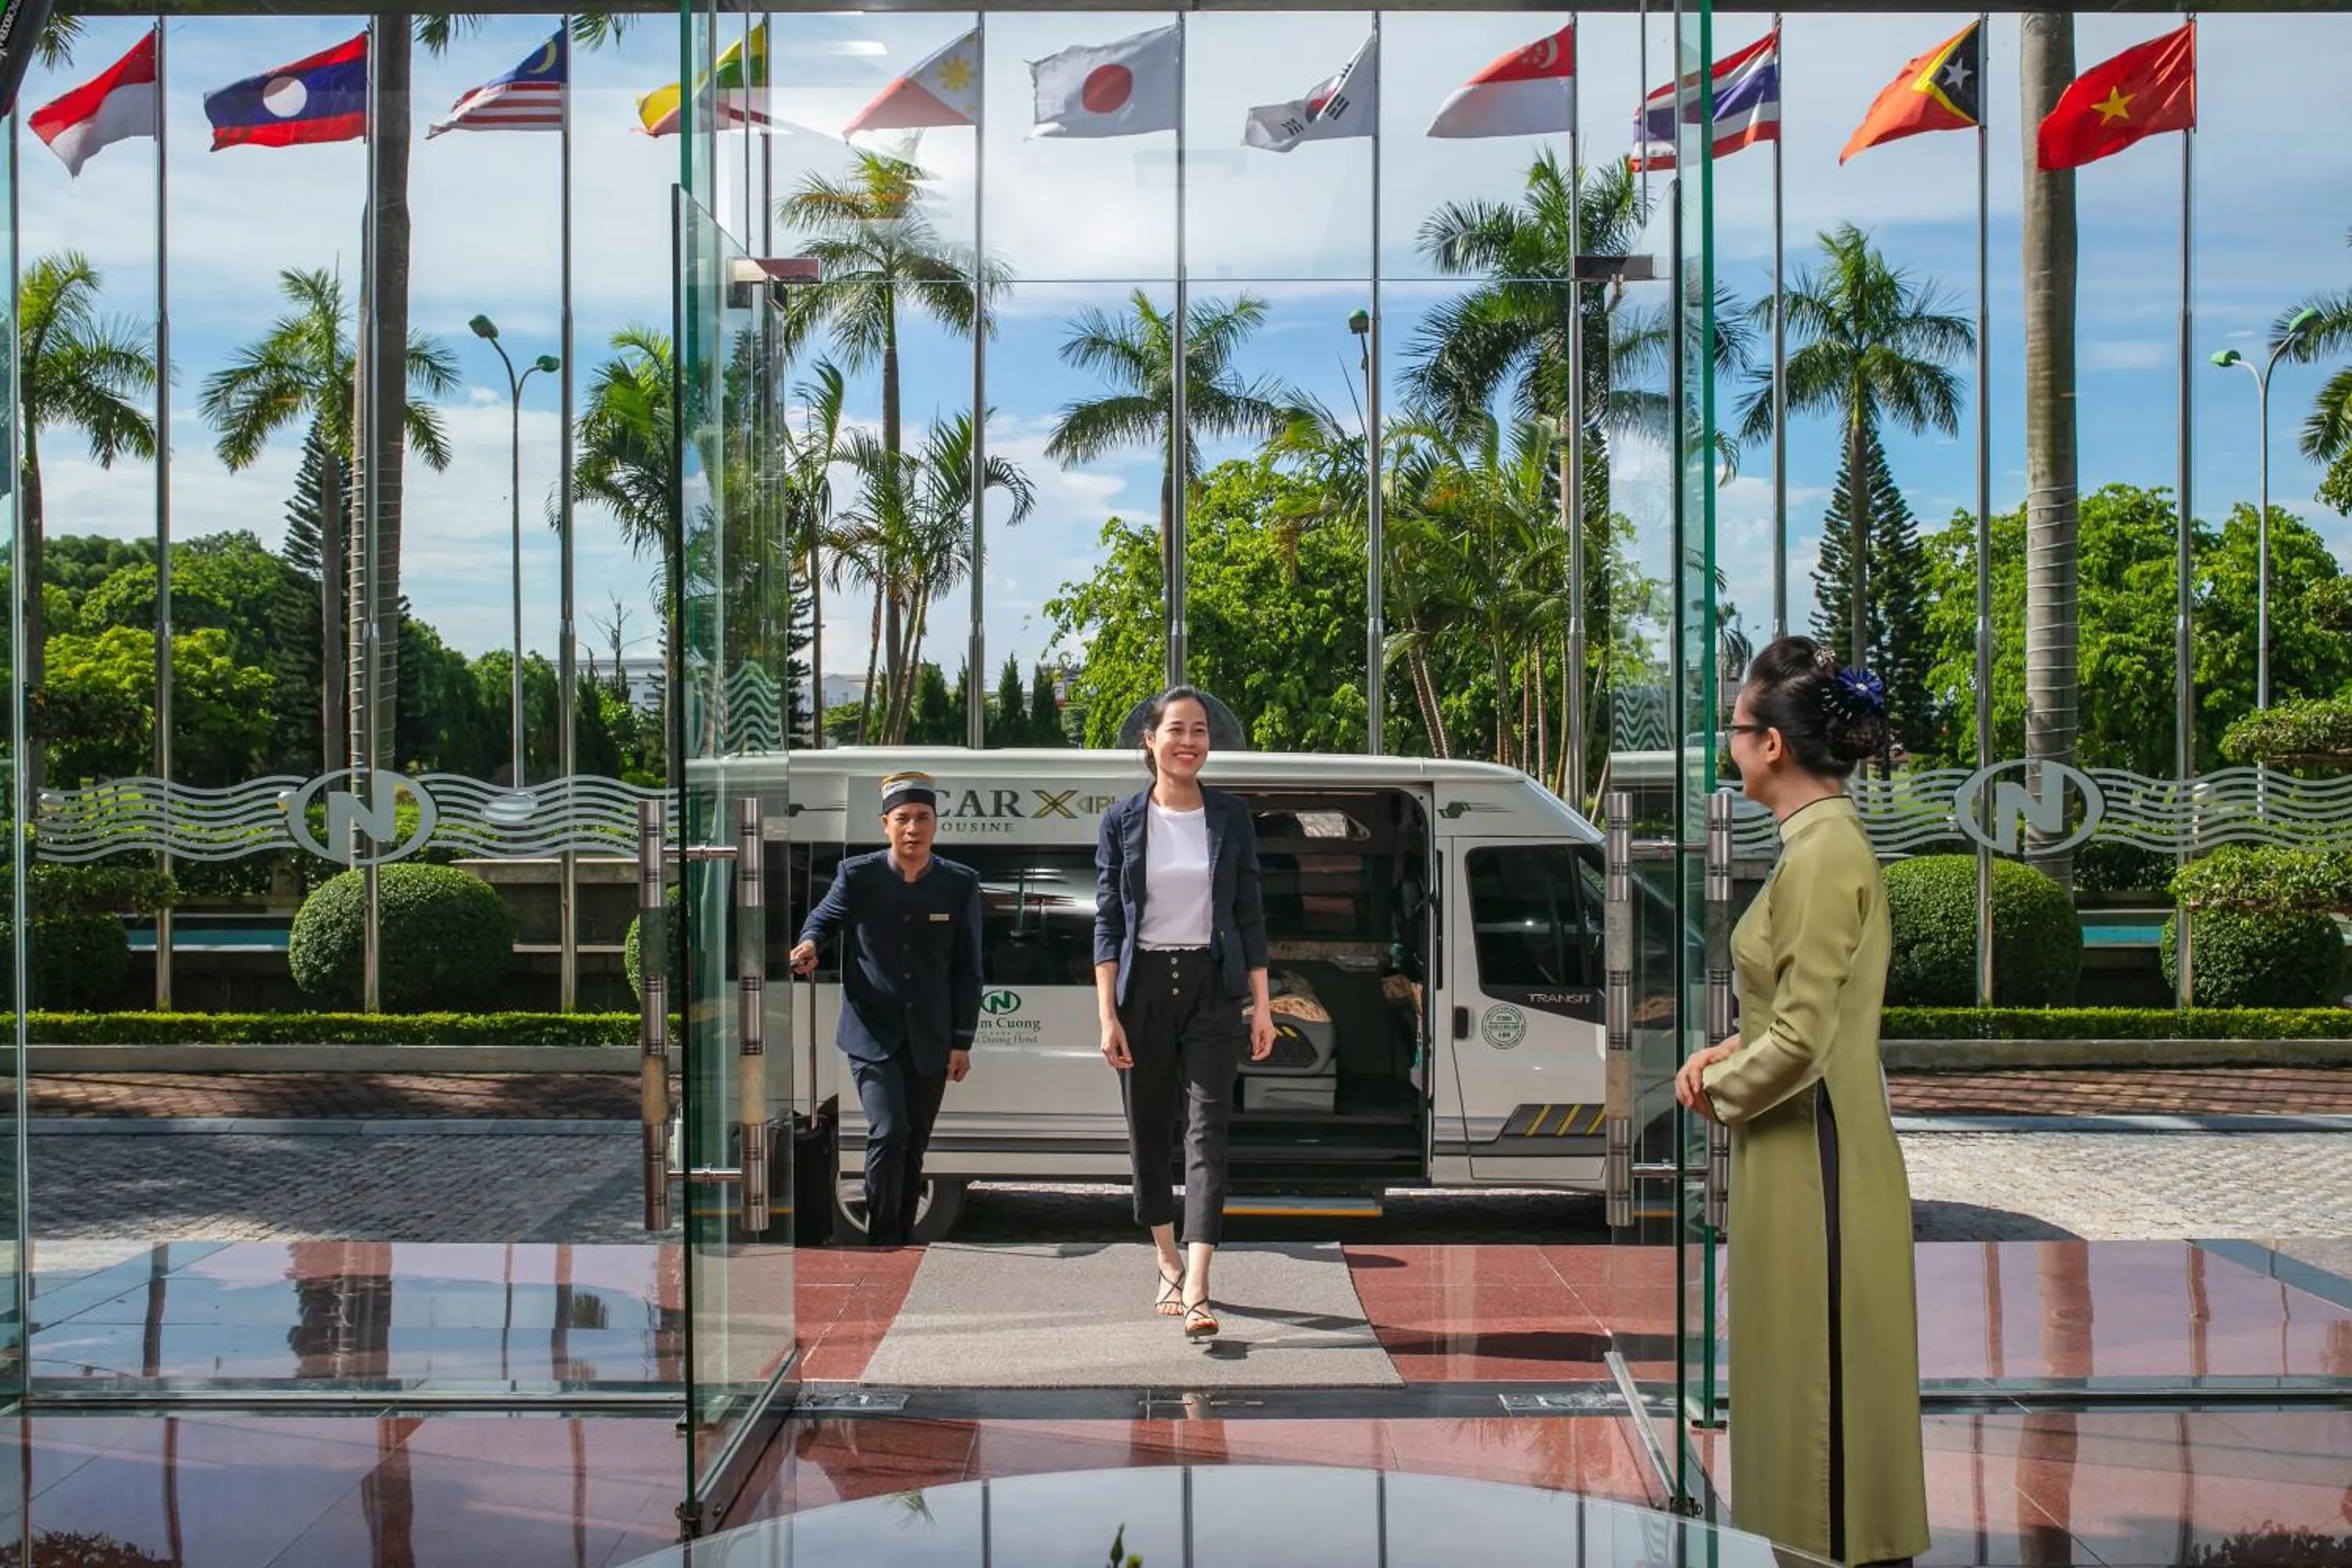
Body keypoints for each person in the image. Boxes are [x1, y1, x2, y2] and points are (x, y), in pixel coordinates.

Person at [1673, 636, 1931, 1568]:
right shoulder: (1818, 844)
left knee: (1820, 1397)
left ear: (1772, 745)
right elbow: (1797, 1013)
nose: (1728, 746)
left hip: (1814, 1158)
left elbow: (1807, 1040)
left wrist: (1715, 1086)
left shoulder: (1821, 854)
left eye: (1734, 729)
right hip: (1804, 1149)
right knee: (1808, 1385)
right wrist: (1732, 1048)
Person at [1094, 688, 1276, 1339]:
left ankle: (1199, 1284)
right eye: (1176, 729)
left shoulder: (1230, 816)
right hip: (1141, 990)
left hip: (1211, 989)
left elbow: (1249, 915)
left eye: (1200, 730)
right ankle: (1167, 1259)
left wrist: (1261, 1005)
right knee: (1147, 1133)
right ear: (1150, 739)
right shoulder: (1121, 819)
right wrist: (1107, 1014)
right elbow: (1108, 922)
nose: (1189, 741)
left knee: (1208, 1133)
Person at [791, 771, 982, 1248]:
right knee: (889, 1129)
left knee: (914, 1141)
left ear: (936, 824)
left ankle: (898, 1237)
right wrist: (809, 943)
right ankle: (881, 1236)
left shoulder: (960, 884)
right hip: (871, 1035)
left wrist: (962, 1041)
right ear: (885, 824)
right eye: (903, 819)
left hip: (932, 1039)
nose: (913, 828)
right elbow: (823, 919)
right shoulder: (857, 876)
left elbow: (968, 969)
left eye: (923, 818)